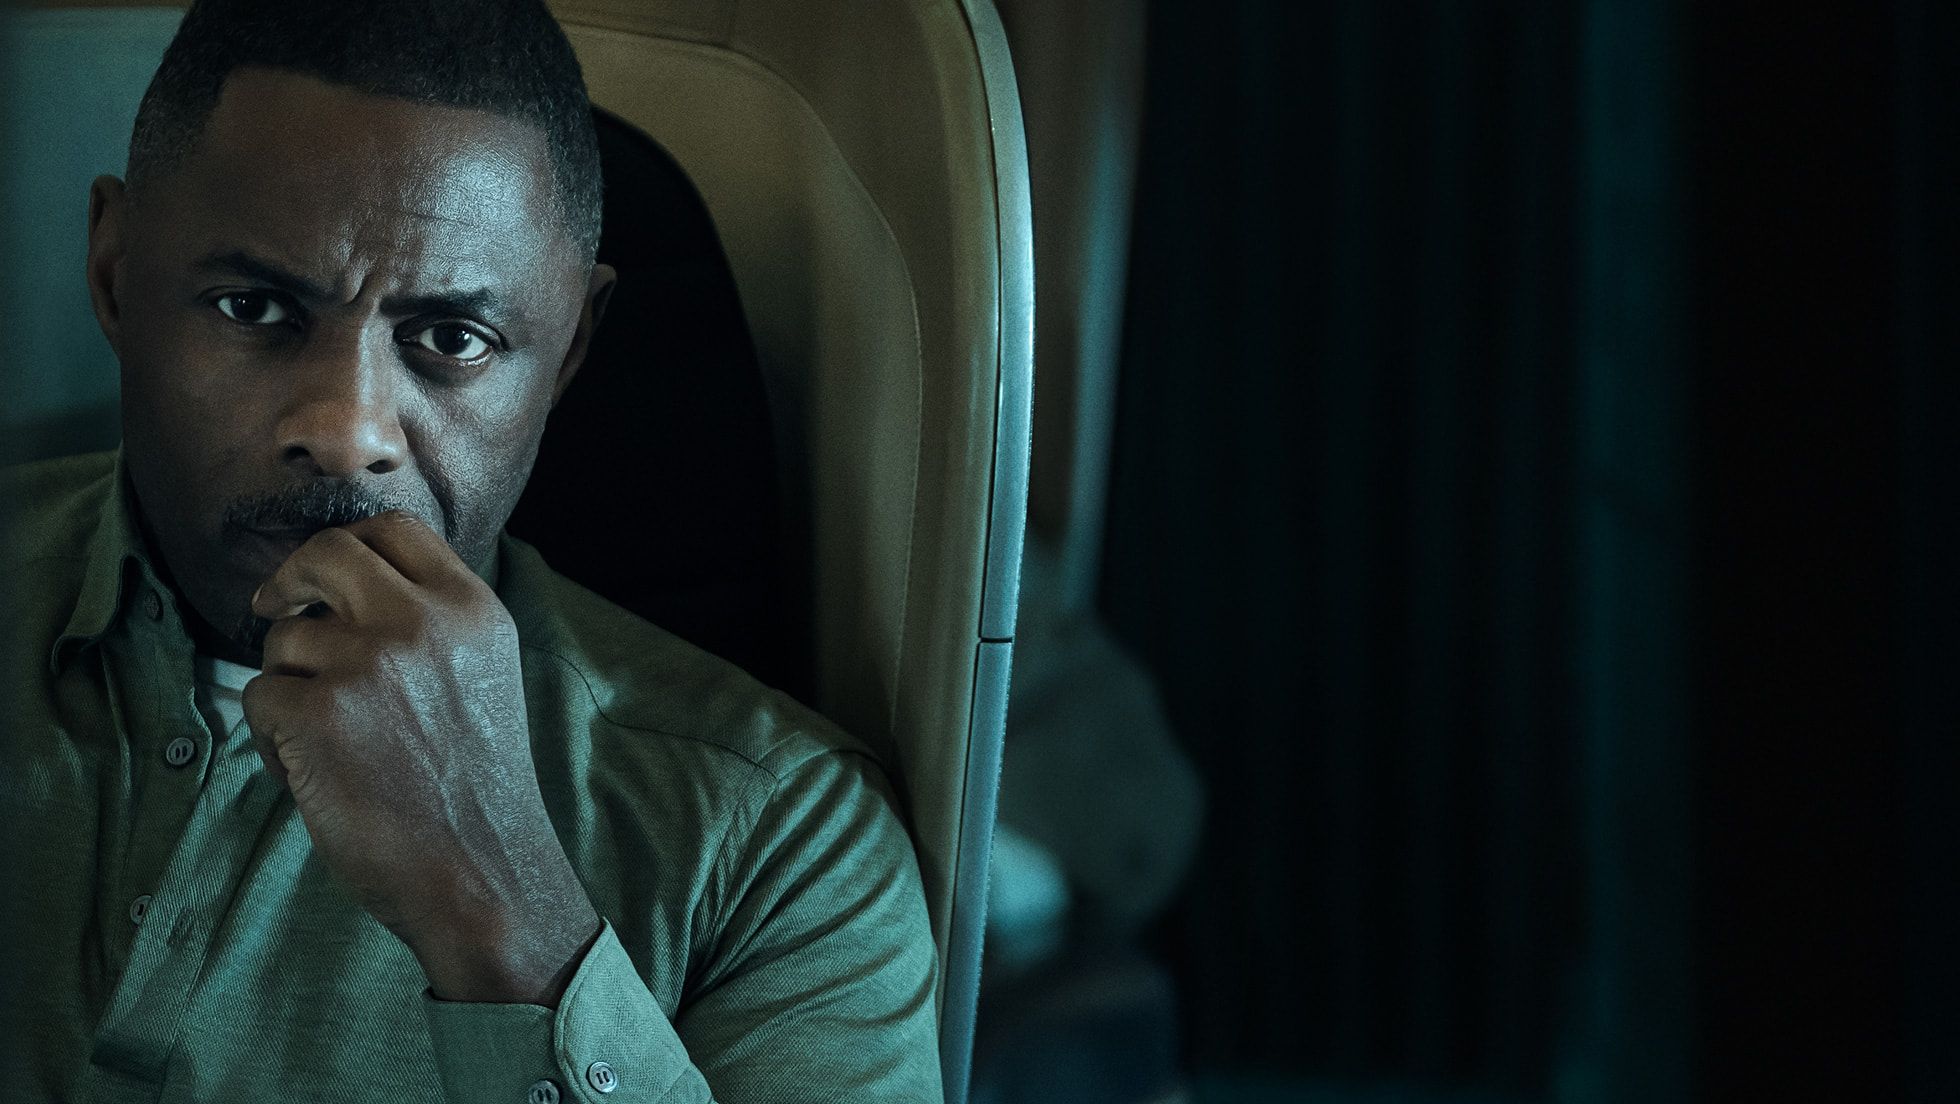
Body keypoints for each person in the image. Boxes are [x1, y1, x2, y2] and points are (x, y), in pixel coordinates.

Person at [0, 2, 942, 1101]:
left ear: (571, 348)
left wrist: (501, 909)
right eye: (251, 307)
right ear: (115, 272)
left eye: (453, 338)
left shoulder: (785, 847)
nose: (346, 428)